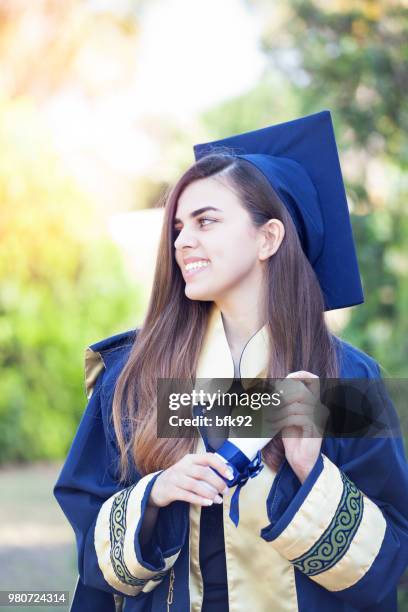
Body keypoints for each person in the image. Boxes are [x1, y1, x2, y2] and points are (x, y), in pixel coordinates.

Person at [54, 110, 408, 612]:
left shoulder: (343, 380)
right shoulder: (136, 374)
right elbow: (93, 562)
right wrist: (155, 495)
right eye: (178, 226)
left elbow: (386, 569)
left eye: (206, 221)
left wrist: (313, 473)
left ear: (268, 238)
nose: (180, 241)